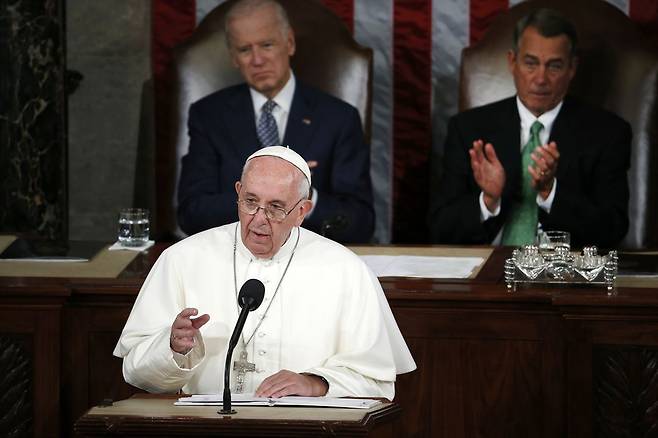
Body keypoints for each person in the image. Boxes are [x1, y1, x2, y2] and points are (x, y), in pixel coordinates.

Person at [114, 146, 415, 399]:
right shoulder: (183, 258)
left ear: (302, 211)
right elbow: (135, 372)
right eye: (251, 202)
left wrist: (315, 383)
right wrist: (172, 347)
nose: (258, 219)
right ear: (238, 192)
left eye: (275, 208)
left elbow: (379, 382)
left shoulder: (345, 270)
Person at [428, 8, 631, 248]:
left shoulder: (608, 133)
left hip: (562, 275)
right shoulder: (469, 128)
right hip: (487, 271)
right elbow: (440, 228)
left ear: (572, 68)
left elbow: (612, 229)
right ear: (512, 62)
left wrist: (550, 192)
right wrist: (488, 200)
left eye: (554, 66)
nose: (540, 78)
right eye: (530, 63)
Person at [177, 0, 374, 243]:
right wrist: (259, 201)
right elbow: (191, 212)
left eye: (266, 45)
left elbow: (361, 221)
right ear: (233, 58)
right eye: (244, 50)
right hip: (232, 257)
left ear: (289, 43)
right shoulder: (208, 116)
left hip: (311, 259)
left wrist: (304, 197)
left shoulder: (339, 118)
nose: (257, 60)